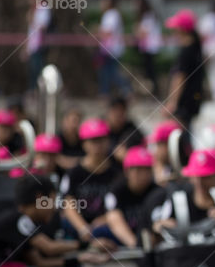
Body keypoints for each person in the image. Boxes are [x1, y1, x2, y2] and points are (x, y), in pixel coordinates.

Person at [0, 175, 107, 267]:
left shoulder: (27, 220)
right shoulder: (19, 219)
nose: (54, 208)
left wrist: (79, 259)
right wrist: (88, 245)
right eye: (52, 202)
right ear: (40, 199)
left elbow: (40, 262)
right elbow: (49, 247)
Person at [59, 117, 122, 247]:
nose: (97, 145)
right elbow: (67, 202)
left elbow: (121, 204)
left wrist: (106, 219)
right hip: (78, 226)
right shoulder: (74, 172)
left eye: (101, 140)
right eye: (93, 141)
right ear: (84, 144)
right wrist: (83, 228)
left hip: (107, 225)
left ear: (108, 141)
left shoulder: (117, 173)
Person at [104, 146, 158, 248]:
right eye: (137, 170)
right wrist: (135, 245)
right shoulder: (117, 191)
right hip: (124, 238)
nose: (142, 174)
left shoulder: (157, 191)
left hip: (150, 240)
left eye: (146, 169)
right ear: (127, 171)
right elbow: (114, 218)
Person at [164, 9, 204, 128]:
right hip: (192, 99)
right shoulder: (196, 47)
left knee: (180, 136)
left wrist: (172, 102)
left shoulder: (186, 51)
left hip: (184, 102)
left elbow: (180, 77)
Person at [97, 0, 128, 96]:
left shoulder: (112, 14)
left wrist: (97, 32)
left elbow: (108, 31)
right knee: (107, 72)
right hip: (108, 49)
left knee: (112, 73)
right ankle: (106, 93)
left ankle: (127, 90)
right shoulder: (110, 14)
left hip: (112, 49)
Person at [136, 0, 162, 96]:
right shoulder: (148, 16)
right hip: (148, 47)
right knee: (149, 71)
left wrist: (137, 30)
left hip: (150, 47)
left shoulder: (149, 16)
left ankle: (154, 91)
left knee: (151, 71)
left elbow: (143, 32)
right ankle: (152, 91)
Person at [106, 96, 145, 163]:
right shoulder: (101, 130)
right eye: (115, 110)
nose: (118, 114)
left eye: (122, 110)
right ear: (108, 112)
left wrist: (128, 156)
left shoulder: (132, 130)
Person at [26, 0, 51, 92]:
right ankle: (34, 90)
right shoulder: (33, 10)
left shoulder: (43, 9)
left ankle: (39, 90)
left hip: (40, 44)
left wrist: (31, 19)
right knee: (32, 69)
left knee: (38, 68)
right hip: (32, 45)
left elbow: (43, 26)